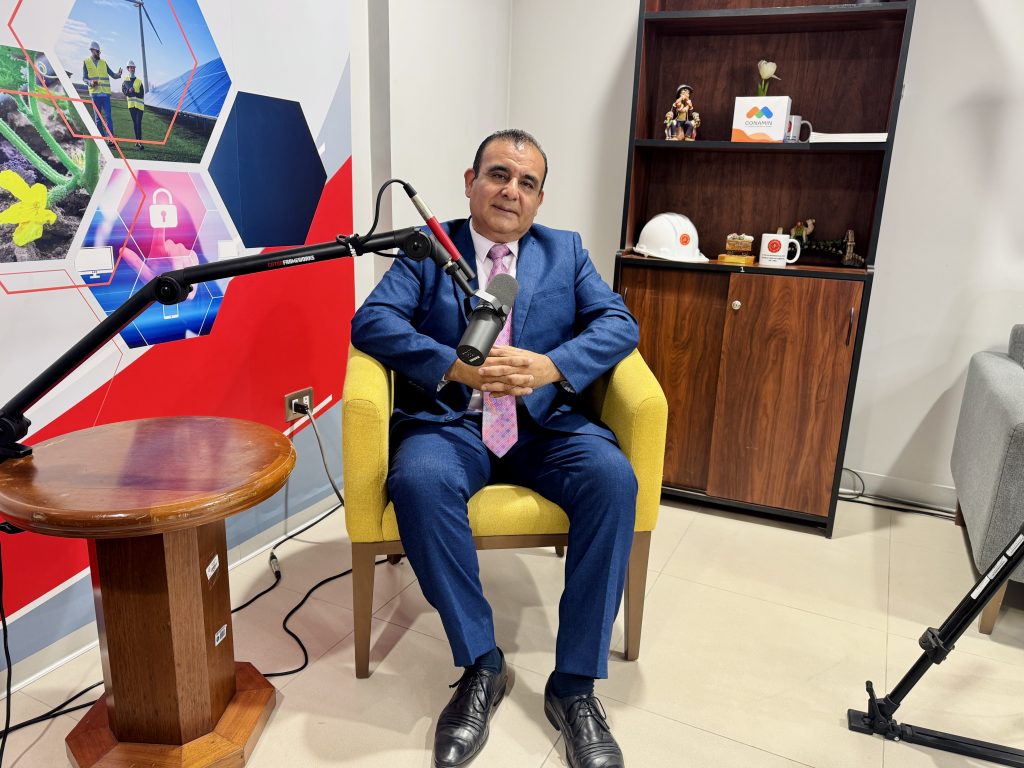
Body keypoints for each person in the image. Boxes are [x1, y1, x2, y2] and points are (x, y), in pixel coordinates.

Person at [351, 129, 638, 768]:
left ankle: (574, 686)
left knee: (613, 479)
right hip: (454, 423)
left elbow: (619, 323)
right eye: (499, 174)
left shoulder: (565, 252)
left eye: (527, 182)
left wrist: (552, 366)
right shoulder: (430, 248)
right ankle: (482, 663)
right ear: (470, 181)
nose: (512, 191)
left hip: (543, 428)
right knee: (419, 480)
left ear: (539, 199)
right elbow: (372, 322)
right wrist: (454, 366)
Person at [82, 42, 122, 138]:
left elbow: (113, 75)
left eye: (99, 52)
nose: (99, 53)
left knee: (108, 117)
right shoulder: (86, 62)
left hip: (105, 95)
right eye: (97, 51)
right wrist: (90, 82)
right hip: (95, 95)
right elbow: (84, 78)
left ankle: (110, 138)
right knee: (98, 119)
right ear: (92, 50)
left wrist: (118, 75)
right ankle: (102, 138)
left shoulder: (103, 62)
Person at [122, 60, 145, 150]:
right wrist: (129, 91)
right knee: (135, 123)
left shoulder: (139, 81)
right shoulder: (125, 81)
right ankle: (137, 141)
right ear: (128, 69)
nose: (132, 69)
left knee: (138, 123)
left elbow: (141, 94)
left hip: (139, 106)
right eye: (131, 67)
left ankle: (139, 142)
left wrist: (134, 92)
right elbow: (125, 92)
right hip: (131, 106)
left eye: (133, 67)